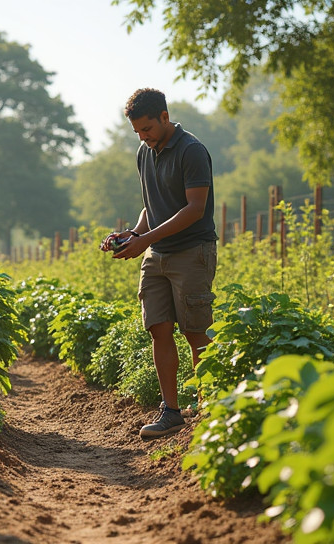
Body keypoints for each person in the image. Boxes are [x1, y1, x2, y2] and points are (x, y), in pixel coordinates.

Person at [101, 88, 217, 439]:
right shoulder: (144, 152)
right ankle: (171, 411)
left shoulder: (192, 151)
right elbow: (152, 205)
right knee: (158, 328)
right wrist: (132, 233)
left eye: (147, 129)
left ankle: (210, 408)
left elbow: (194, 208)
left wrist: (144, 241)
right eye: (137, 131)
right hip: (157, 254)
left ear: (164, 117)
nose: (143, 137)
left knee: (196, 331)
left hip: (191, 251)